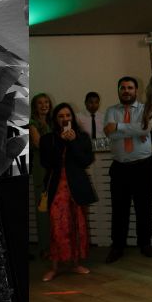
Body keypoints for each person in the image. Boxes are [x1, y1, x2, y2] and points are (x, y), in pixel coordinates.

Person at [39, 103, 93, 282]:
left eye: (68, 115)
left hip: (76, 188)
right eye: (61, 116)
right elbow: (47, 163)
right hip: (56, 189)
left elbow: (85, 161)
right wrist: (62, 141)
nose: (65, 119)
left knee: (78, 225)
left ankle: (76, 264)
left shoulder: (82, 137)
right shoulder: (48, 139)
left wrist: (73, 142)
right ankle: (54, 267)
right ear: (55, 119)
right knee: (57, 227)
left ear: (72, 117)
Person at [103, 76, 152, 262]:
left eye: (130, 87)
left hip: (143, 166)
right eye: (122, 88)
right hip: (119, 167)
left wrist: (118, 126)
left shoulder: (146, 109)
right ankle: (117, 246)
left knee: (144, 206)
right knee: (119, 208)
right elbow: (109, 133)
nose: (126, 91)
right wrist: (135, 130)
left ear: (136, 90)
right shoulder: (110, 110)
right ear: (118, 90)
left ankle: (145, 244)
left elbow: (145, 128)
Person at [28, 93, 53, 258]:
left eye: (46, 102)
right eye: (40, 103)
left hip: (55, 169)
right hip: (41, 171)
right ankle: (45, 248)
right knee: (43, 211)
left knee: (56, 210)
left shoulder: (53, 122)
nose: (44, 105)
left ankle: (58, 246)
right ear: (35, 107)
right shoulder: (31, 123)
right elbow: (38, 143)